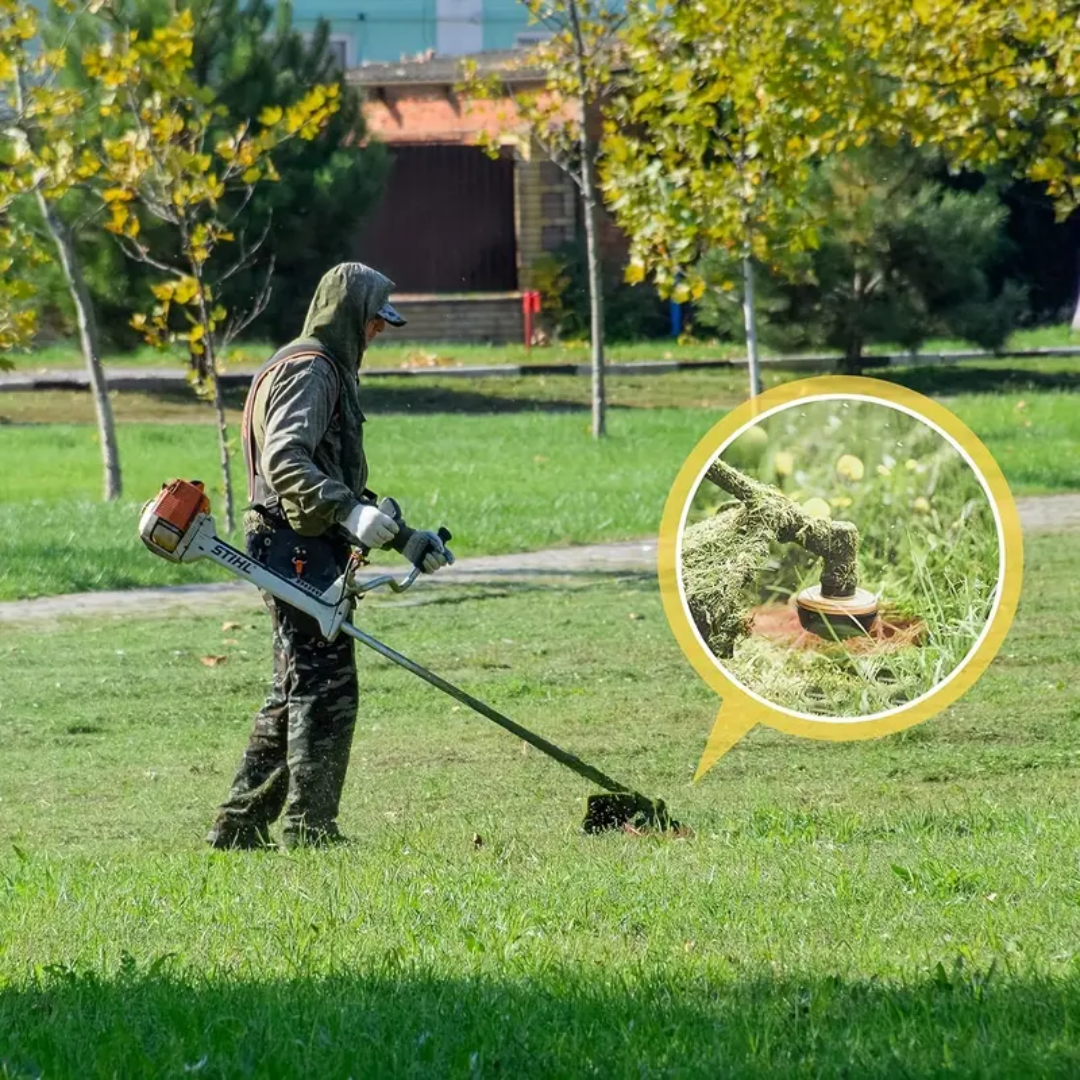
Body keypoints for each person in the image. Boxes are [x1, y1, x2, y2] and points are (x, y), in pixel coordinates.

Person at [206, 262, 452, 850]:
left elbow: (327, 470)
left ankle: (239, 824)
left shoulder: (313, 365)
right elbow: (287, 463)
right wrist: (347, 514)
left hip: (300, 541)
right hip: (290, 544)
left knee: (296, 683)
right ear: (349, 315)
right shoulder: (311, 370)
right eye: (373, 323)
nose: (378, 334)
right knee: (326, 685)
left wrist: (404, 537)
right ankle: (308, 827)